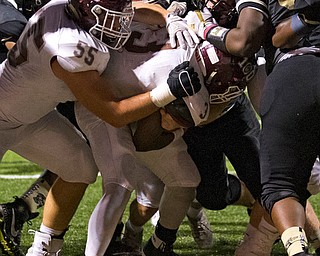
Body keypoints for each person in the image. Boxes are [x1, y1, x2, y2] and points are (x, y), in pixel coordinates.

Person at [0, 0, 204, 255]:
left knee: (81, 168)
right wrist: (167, 91)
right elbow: (114, 113)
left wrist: (168, 17)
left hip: (33, 117)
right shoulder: (69, 45)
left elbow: (133, 8)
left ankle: (44, 249)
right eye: (114, 13)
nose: (122, 18)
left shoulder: (61, 7)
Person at [254, 0, 320, 254]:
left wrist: (305, 20)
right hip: (294, 73)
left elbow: (277, 38)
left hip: (295, 73)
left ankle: (297, 251)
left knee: (281, 184)